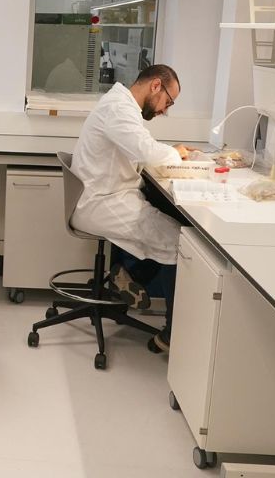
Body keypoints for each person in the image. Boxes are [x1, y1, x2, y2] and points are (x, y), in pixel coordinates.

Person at [70, 64, 191, 354]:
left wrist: (170, 152)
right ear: (155, 87)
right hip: (102, 202)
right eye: (168, 102)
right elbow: (146, 151)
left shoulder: (122, 106)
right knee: (181, 244)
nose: (165, 110)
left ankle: (126, 275)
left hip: (109, 196)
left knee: (167, 229)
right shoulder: (118, 109)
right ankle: (173, 333)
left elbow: (140, 146)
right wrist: (176, 153)